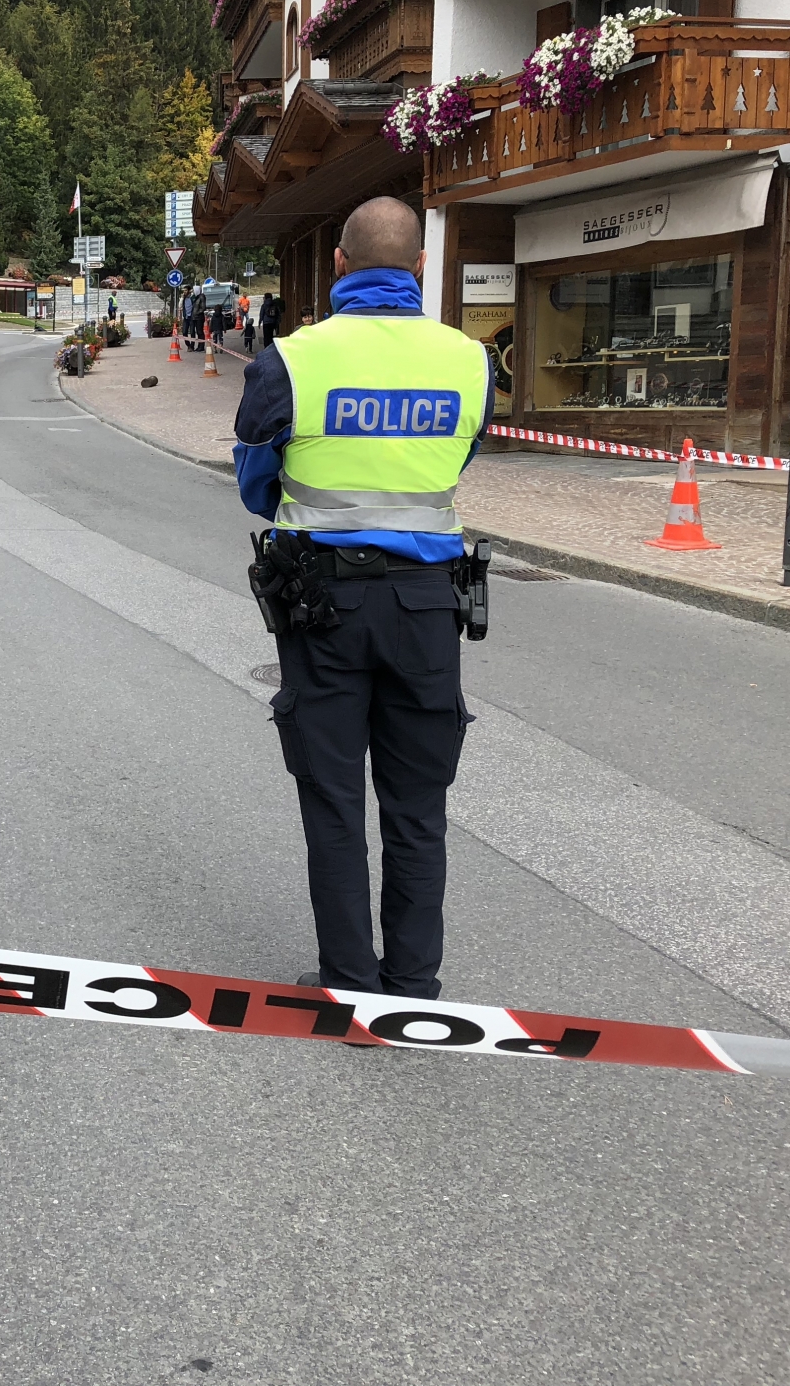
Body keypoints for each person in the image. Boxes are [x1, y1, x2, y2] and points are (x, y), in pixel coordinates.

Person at [232, 196, 494, 1002]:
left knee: (335, 796)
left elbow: (254, 484)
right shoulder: (470, 361)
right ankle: (413, 980)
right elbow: (460, 460)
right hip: (427, 606)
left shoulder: (291, 360)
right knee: (418, 802)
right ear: (418, 268)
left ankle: (348, 975)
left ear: (340, 264)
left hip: (323, 605)